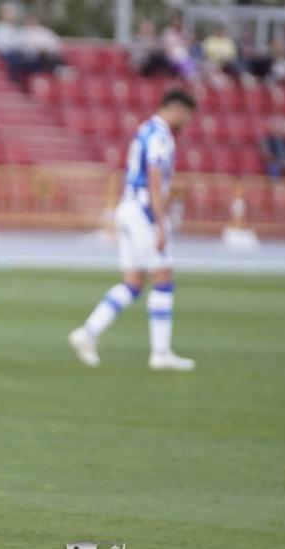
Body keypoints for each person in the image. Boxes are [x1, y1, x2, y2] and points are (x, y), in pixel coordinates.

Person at [69, 89, 197, 371]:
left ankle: (87, 332)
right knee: (163, 278)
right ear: (177, 109)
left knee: (134, 283)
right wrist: (160, 223)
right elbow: (154, 175)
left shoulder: (145, 129)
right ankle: (161, 353)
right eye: (187, 115)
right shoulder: (161, 135)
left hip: (127, 207)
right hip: (143, 211)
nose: (187, 122)